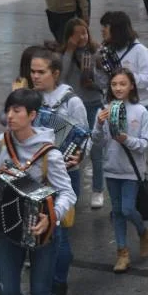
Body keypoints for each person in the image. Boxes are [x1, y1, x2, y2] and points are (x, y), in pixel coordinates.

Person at [0, 89, 76, 295]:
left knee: (40, 292)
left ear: (32, 115)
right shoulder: (3, 142)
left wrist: (51, 218)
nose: (10, 116)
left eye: (17, 111)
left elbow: (68, 194)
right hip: (9, 225)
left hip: (43, 232)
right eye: (8, 110)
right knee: (7, 291)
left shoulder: (50, 153)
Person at [30, 49, 88, 295]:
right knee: (41, 230)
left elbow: (84, 136)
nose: (35, 76)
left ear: (55, 73)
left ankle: (59, 285)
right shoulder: (30, 97)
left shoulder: (71, 102)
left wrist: (79, 155)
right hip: (35, 175)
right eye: (33, 71)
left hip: (63, 174)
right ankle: (44, 281)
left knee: (60, 233)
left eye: (40, 72)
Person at [97, 69, 148, 273]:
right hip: (111, 169)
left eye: (122, 84)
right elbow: (97, 142)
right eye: (114, 84)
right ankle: (122, 252)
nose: (118, 88)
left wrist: (127, 140)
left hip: (132, 171)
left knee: (127, 209)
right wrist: (99, 125)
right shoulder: (104, 110)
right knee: (117, 212)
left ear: (131, 86)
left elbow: (147, 144)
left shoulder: (140, 112)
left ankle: (143, 230)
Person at [59, 19, 107, 210]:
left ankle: (98, 190)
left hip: (94, 104)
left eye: (85, 32)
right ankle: (71, 190)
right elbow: (60, 77)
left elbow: (106, 80)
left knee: (96, 149)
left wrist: (93, 78)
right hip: (73, 108)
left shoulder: (97, 51)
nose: (82, 37)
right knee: (72, 151)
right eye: (77, 33)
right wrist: (69, 51)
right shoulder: (64, 54)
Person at [100, 11, 148, 116]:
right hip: (115, 106)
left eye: (106, 26)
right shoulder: (105, 51)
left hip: (138, 105)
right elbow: (103, 82)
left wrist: (128, 79)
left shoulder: (139, 50)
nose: (102, 30)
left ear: (117, 29)